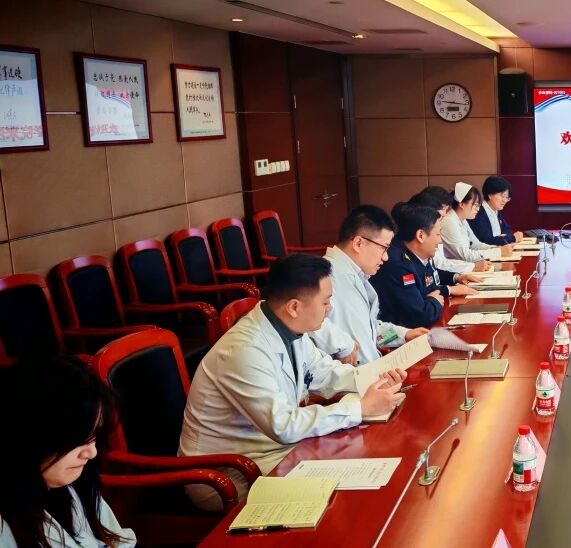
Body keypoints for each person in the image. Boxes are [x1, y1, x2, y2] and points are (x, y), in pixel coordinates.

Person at [179, 254, 406, 510]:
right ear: (294, 307)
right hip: (229, 472)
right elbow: (283, 425)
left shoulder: (287, 328)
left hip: (271, 450)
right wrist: (361, 409)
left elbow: (324, 372)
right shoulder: (244, 351)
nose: (330, 308)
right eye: (325, 301)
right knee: (349, 495)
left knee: (365, 463)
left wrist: (376, 377)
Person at [0, 356, 136, 547]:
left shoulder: (75, 484)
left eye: (94, 436)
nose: (91, 452)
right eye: (78, 440)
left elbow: (118, 541)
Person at [312, 205, 430, 365]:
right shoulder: (323, 276)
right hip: (348, 376)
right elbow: (305, 323)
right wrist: (343, 345)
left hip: (372, 370)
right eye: (383, 248)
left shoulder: (357, 275)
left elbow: (370, 331)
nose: (386, 257)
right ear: (358, 243)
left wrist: (404, 335)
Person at [371, 201, 482, 328]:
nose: (440, 241)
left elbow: (428, 284)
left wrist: (456, 278)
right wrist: (434, 300)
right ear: (421, 235)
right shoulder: (399, 264)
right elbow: (422, 315)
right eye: (438, 234)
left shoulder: (418, 254)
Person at [412, 186, 491, 275]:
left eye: (446, 209)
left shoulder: (459, 220)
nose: (444, 214)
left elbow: (475, 244)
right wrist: (473, 266)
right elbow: (441, 263)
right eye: (475, 205)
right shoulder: (447, 221)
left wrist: (498, 250)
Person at [441, 182, 512, 264]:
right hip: (455, 270)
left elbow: (475, 245)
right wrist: (499, 252)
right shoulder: (449, 222)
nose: (478, 209)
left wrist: (497, 248)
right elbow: (466, 256)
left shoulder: (462, 220)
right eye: (475, 205)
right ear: (462, 204)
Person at [469, 175, 523, 245]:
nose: (504, 200)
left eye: (507, 197)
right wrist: (513, 238)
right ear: (490, 195)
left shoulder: (496, 210)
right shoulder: (478, 213)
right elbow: (487, 240)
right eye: (503, 196)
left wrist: (502, 238)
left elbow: (507, 229)